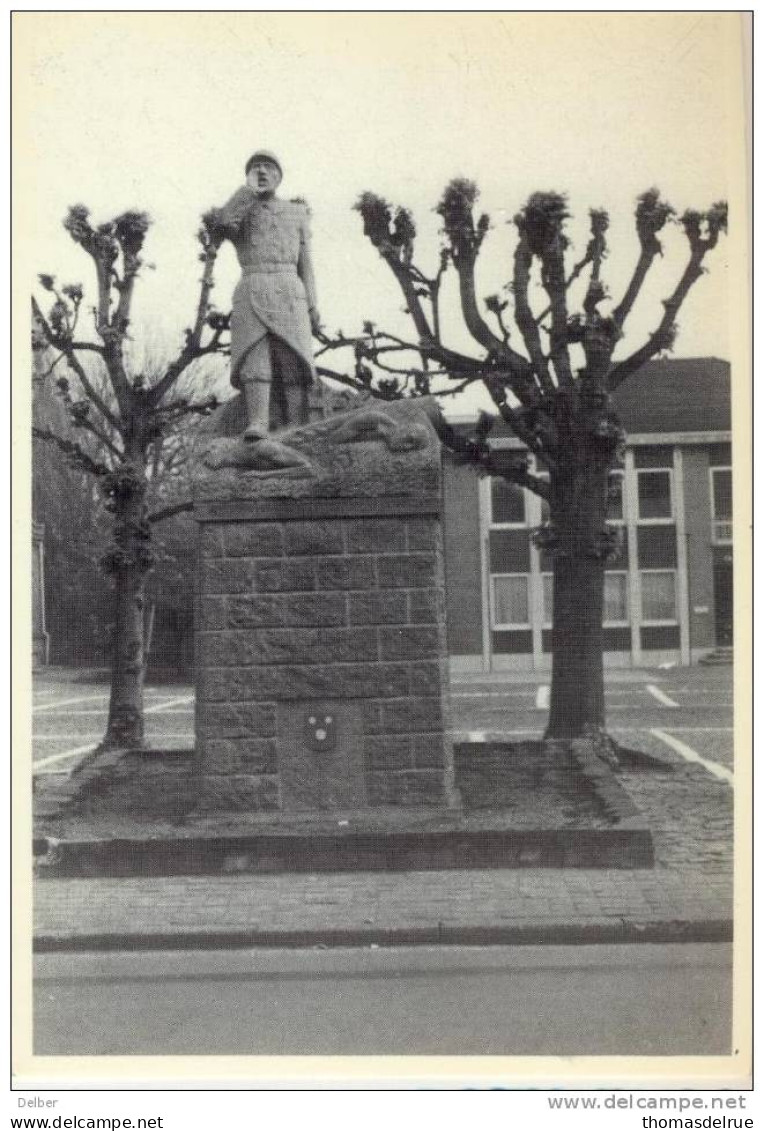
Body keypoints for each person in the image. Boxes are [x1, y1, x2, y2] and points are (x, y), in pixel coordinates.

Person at [211, 151, 321, 442]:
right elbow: (221, 225)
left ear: (279, 175)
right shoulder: (241, 210)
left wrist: (312, 304)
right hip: (252, 282)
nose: (262, 171)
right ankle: (258, 422)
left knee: (292, 358)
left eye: (268, 167)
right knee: (254, 357)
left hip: (289, 287)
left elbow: (306, 263)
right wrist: (247, 192)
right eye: (255, 168)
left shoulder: (297, 212)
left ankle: (297, 424)